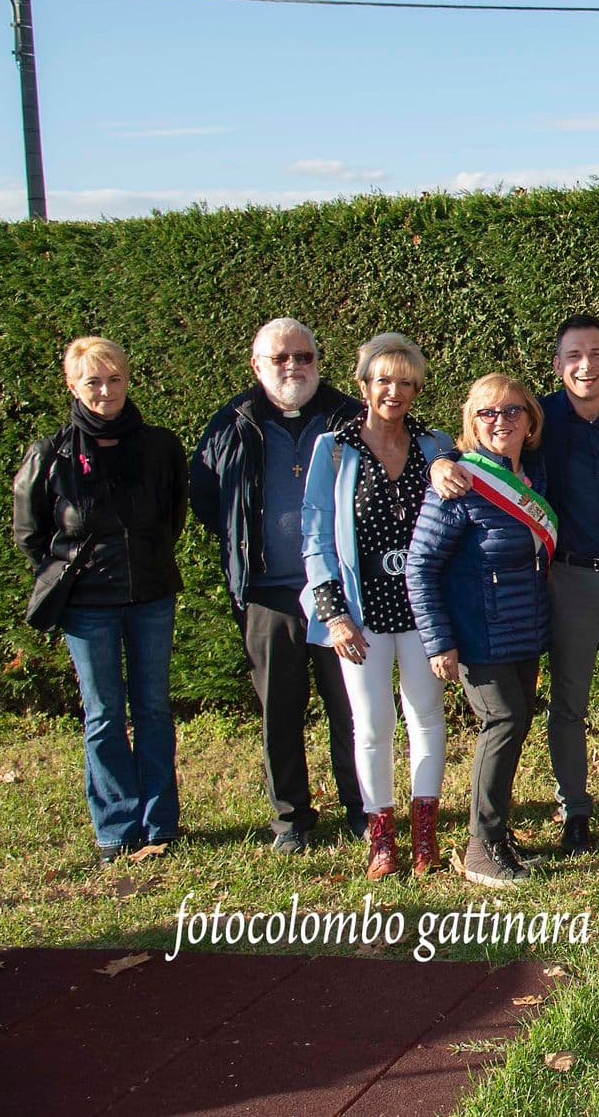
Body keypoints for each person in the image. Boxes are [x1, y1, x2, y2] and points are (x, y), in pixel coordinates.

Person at [436, 316, 599, 853]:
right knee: (569, 705)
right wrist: (441, 463)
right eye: (574, 355)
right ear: (557, 365)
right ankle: (576, 813)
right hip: (568, 581)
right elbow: (486, 452)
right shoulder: (539, 422)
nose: (586, 365)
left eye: (597, 353)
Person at [190, 318, 363, 852]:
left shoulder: (350, 418)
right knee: (280, 712)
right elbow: (206, 500)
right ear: (257, 365)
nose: (294, 367)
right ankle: (292, 819)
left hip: (339, 590)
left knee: (351, 708)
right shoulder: (230, 425)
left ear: (318, 361)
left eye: (304, 357)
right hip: (268, 593)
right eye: (281, 358)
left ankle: (362, 808)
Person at [13, 337, 187, 864]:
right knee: (105, 713)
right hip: (87, 606)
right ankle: (116, 829)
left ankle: (161, 826)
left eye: (114, 379)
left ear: (128, 380)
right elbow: (30, 533)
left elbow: (170, 517)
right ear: (72, 385)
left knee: (154, 709)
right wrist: (71, 575)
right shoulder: (51, 454)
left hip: (151, 595)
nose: (105, 391)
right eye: (93, 381)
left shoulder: (159, 447)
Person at [301, 333, 455, 880]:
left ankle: (425, 835)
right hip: (360, 616)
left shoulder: (436, 446)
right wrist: (333, 613)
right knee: (370, 726)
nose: (395, 391)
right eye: (384, 380)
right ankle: (381, 838)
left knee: (427, 719)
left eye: (406, 382)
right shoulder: (334, 450)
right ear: (364, 384)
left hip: (420, 610)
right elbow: (316, 537)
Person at [406, 373, 552, 889]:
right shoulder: (459, 482)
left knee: (514, 725)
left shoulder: (530, 481)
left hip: (523, 629)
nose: (501, 422)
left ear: (530, 420)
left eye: (513, 411)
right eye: (488, 413)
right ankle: (480, 847)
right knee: (504, 722)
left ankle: (497, 836)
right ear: (471, 422)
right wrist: (439, 641)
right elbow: (419, 566)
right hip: (477, 633)